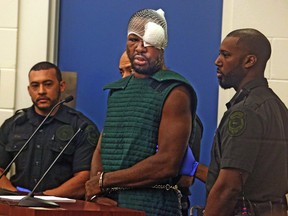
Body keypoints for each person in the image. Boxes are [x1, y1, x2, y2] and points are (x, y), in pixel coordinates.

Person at [85, 8, 199, 215]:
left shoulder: (175, 91)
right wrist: (97, 194)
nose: (140, 48)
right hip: (108, 205)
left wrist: (103, 181)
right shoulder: (118, 90)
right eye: (133, 40)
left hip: (153, 206)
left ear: (162, 46)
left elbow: (167, 163)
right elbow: (102, 149)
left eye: (149, 42)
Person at [205, 28, 288, 216]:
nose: (217, 61)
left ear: (250, 61)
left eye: (225, 55)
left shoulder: (245, 111)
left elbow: (228, 188)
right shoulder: (277, 107)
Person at [0, 61, 100, 199]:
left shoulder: (81, 127)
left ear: (61, 86)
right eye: (35, 86)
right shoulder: (14, 125)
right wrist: (16, 196)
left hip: (62, 207)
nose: (41, 91)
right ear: (29, 90)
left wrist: (41, 198)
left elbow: (85, 179)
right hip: (18, 206)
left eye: (47, 84)